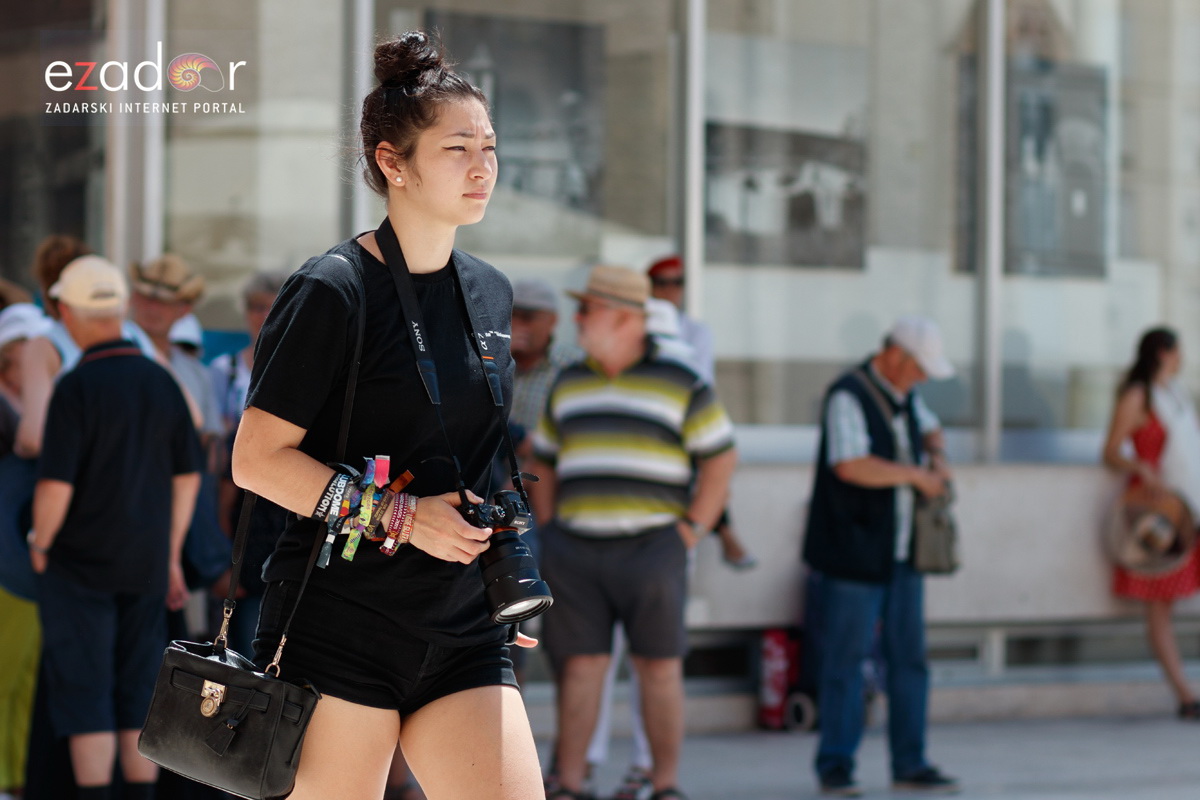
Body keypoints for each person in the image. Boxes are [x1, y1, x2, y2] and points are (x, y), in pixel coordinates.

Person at [229, 30, 543, 800]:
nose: (482, 167)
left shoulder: (492, 292)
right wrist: (401, 517)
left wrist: (510, 566)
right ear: (392, 164)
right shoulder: (331, 290)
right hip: (339, 626)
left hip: (466, 628)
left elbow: (475, 456)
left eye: (490, 147)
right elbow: (256, 461)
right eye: (457, 149)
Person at [530, 264, 738, 800]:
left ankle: (664, 784)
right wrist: (550, 528)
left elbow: (720, 458)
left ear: (624, 318)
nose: (577, 319)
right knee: (579, 667)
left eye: (587, 309)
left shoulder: (682, 381)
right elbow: (543, 459)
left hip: (654, 547)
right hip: (575, 550)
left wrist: (690, 531)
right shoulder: (569, 381)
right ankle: (570, 784)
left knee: (659, 667)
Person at [27, 255, 202, 800]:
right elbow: (188, 474)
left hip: (79, 566)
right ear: (121, 309)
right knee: (136, 691)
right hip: (146, 564)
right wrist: (170, 553)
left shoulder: (75, 386)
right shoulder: (161, 380)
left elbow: (55, 487)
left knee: (86, 693)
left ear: (66, 311)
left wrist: (39, 541)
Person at [802, 315, 959, 797]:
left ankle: (911, 762)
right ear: (894, 354)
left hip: (902, 552)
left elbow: (931, 429)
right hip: (853, 553)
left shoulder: (906, 395)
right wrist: (915, 476)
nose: (923, 378)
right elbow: (850, 465)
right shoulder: (847, 394)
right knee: (845, 662)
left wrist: (936, 457)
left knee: (909, 660)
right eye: (919, 367)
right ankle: (836, 766)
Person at [1102, 326, 1200, 719]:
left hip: (1184, 507)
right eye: (1177, 351)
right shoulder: (1138, 396)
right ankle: (1185, 695)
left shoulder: (1175, 394)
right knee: (1160, 605)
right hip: (1156, 514)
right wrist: (1140, 466)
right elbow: (1110, 451)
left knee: (1169, 603)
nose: (1182, 358)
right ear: (1163, 353)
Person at [646, 255, 755, 570]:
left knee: (709, 470)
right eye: (662, 283)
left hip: (680, 425)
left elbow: (700, 384)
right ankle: (726, 533)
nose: (670, 290)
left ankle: (724, 532)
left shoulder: (696, 331)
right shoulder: (635, 330)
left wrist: (689, 533)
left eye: (677, 283)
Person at [206, 270, 290, 656]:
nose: (264, 316)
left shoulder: (302, 372)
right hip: (245, 513)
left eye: (273, 307)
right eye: (256, 307)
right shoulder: (223, 371)